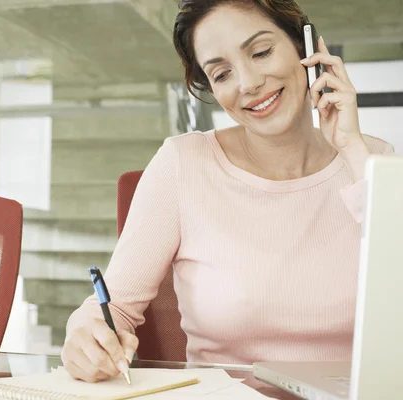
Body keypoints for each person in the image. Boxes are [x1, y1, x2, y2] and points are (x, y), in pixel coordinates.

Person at [61, 0, 395, 383]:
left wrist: (352, 149)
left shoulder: (374, 160)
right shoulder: (182, 163)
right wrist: (84, 336)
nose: (248, 83)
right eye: (221, 74)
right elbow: (112, 307)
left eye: (261, 52)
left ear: (307, 49)